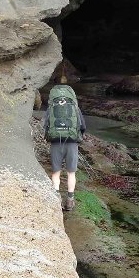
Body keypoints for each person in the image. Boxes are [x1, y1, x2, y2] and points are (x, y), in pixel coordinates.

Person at [42, 76, 87, 212]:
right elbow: (82, 126)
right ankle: (70, 200)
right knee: (71, 173)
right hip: (72, 143)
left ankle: (56, 199)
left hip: (56, 142)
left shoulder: (52, 107)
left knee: (56, 172)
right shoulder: (74, 107)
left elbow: (45, 125)